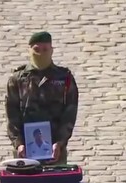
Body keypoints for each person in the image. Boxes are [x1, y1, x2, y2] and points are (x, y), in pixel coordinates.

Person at [5, 31, 79, 165]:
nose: (41, 53)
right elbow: (12, 113)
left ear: (51, 50)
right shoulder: (17, 79)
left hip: (54, 148)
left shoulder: (64, 78)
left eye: (45, 49)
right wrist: (18, 143)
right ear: (30, 50)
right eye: (37, 50)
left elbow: (70, 113)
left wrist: (60, 142)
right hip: (25, 149)